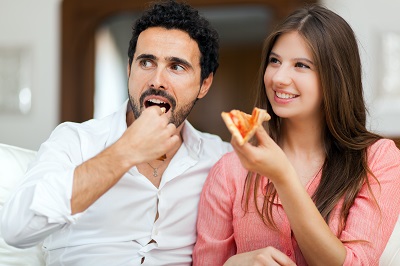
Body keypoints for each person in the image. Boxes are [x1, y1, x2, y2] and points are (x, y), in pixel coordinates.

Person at [1, 1, 232, 265]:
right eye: (146, 62)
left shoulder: (221, 159)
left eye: (176, 67)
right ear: (129, 69)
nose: (157, 80)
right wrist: (125, 152)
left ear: (204, 84)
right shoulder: (74, 141)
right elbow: (15, 230)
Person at [193, 4, 400, 266]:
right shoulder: (229, 172)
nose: (279, 77)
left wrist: (283, 177)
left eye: (301, 65)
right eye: (274, 61)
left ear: (335, 77)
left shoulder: (377, 159)